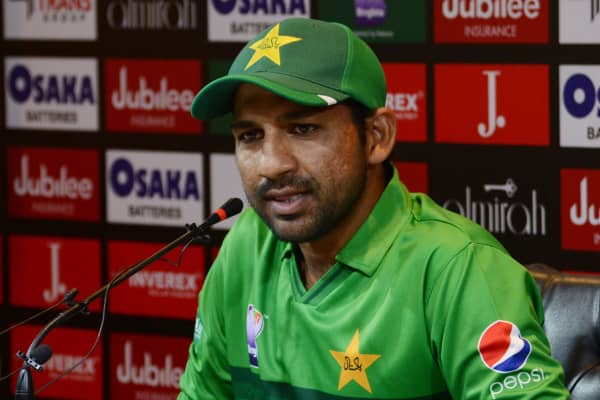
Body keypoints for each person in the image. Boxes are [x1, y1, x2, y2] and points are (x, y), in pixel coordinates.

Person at [178, 18, 570, 399]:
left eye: (302, 129)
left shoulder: (459, 266)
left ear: (376, 137)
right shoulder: (247, 244)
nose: (271, 164)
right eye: (250, 136)